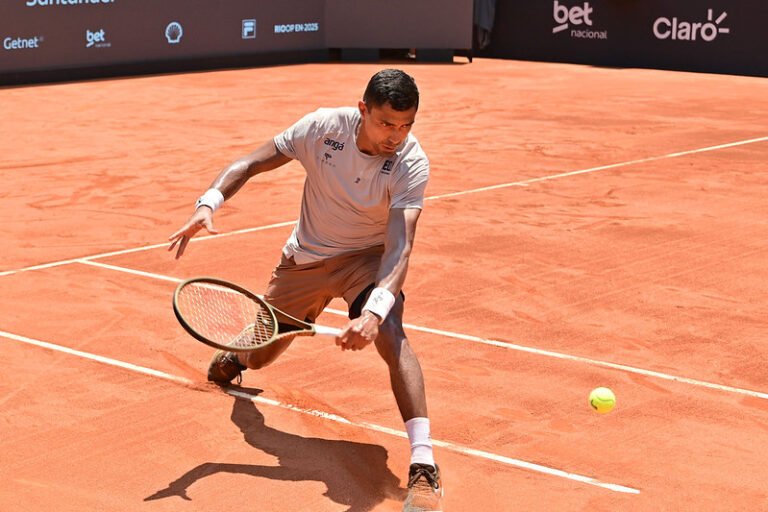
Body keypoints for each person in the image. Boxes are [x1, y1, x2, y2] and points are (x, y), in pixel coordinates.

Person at [168, 69, 443, 512]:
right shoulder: (321, 128)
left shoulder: (411, 161)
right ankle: (238, 357)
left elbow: (400, 249)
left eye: (406, 124)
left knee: (393, 332)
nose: (396, 135)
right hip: (306, 261)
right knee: (261, 354)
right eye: (386, 123)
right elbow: (251, 162)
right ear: (362, 111)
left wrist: (372, 314)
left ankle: (424, 464)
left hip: (367, 260)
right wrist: (208, 203)